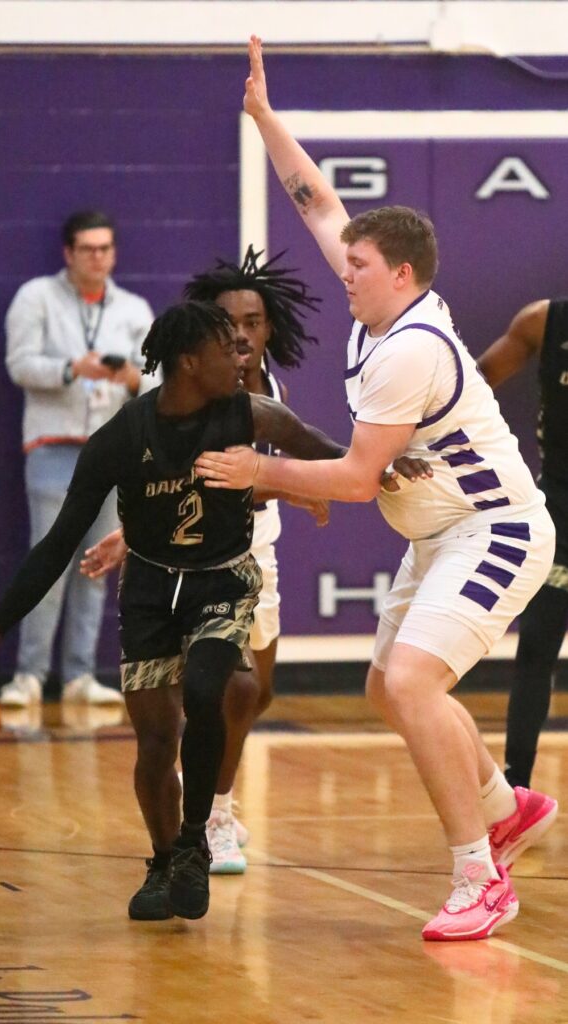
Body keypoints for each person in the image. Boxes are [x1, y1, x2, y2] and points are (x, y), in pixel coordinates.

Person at [194, 36, 559, 942]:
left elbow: (357, 480)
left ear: (400, 274)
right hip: (442, 533)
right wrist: (267, 120)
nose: (339, 273)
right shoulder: (383, 301)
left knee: (412, 680)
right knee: (386, 686)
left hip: (496, 529)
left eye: (355, 268)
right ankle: (500, 804)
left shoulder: (407, 350)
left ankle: (480, 876)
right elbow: (317, 201)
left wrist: (261, 471)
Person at [0, 299, 355, 923]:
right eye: (226, 346)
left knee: (211, 688)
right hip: (151, 591)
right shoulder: (122, 437)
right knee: (156, 740)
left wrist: (386, 467)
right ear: (188, 362)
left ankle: (194, 846)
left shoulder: (249, 412)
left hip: (222, 579)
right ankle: (163, 861)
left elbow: (329, 451)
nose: (242, 352)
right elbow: (57, 544)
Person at [81, 246, 333, 875]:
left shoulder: (268, 390)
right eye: (229, 323)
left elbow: (252, 472)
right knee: (229, 690)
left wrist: (301, 483)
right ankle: (208, 819)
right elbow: (182, 479)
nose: (241, 334)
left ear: (267, 327)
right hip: (190, 559)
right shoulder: (182, 391)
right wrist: (128, 535)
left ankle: (211, 803)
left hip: (254, 545)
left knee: (258, 692)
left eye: (252, 322)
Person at [0, 209, 155, 708]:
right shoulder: (36, 297)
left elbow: (157, 380)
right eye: (88, 248)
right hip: (54, 447)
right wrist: (72, 369)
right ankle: (28, 674)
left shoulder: (133, 308)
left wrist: (130, 378)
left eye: (105, 248)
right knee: (47, 560)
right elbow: (20, 364)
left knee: (98, 562)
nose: (98, 257)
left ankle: (79, 675)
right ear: (68, 252)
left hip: (111, 452)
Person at [478, 298, 568, 789]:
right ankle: (518, 787)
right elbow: (474, 387)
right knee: (536, 645)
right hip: (559, 506)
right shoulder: (543, 322)